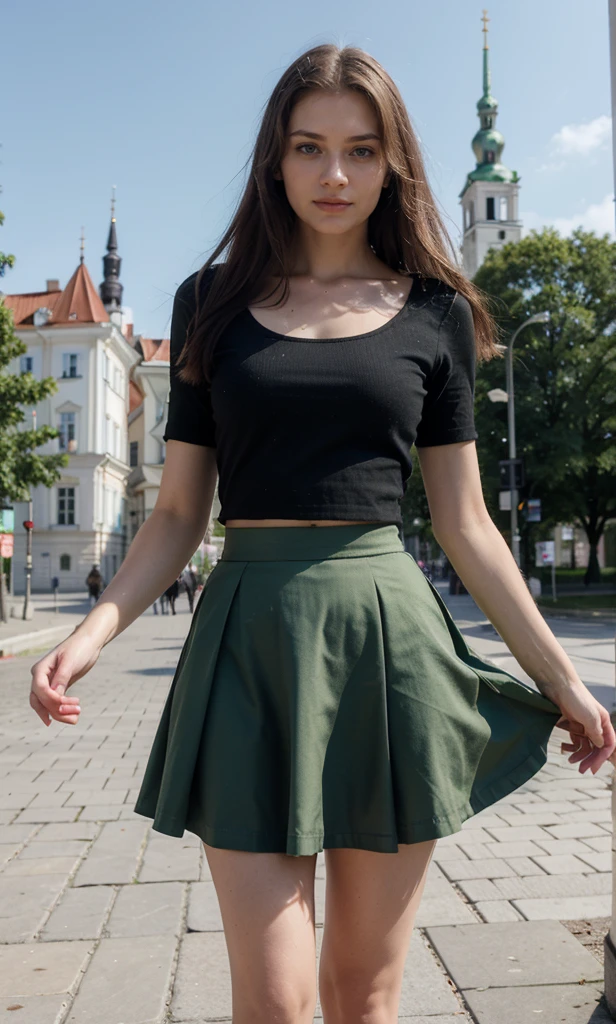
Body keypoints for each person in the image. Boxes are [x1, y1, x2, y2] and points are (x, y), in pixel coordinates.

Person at [28, 44, 616, 1024]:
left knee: (362, 993)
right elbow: (177, 512)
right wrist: (82, 638)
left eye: (360, 149)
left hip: (388, 648)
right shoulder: (209, 304)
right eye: (309, 147)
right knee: (272, 999)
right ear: (275, 159)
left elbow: (466, 523)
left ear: (392, 166)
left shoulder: (435, 313)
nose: (334, 174)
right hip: (245, 645)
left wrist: (565, 682)